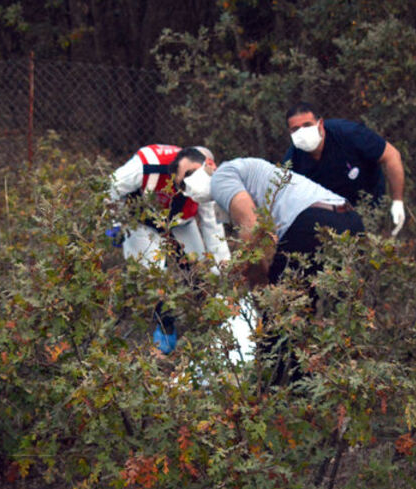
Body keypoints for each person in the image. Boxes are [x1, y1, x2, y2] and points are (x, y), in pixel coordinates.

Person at [170, 155, 364, 384]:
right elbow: (261, 238)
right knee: (307, 308)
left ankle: (273, 387)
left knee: (279, 312)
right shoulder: (241, 172)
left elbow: (252, 230)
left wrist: (255, 284)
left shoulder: (221, 177)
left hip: (311, 222)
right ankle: (318, 380)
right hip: (349, 220)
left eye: (190, 173)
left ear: (209, 163)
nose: (189, 184)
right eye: (182, 185)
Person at [109, 144, 230, 354]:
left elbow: (212, 228)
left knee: (198, 268)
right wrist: (115, 222)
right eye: (186, 178)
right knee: (153, 276)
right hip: (143, 222)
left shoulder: (207, 182)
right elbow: (111, 187)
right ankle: (165, 325)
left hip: (181, 221)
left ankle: (208, 313)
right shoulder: (147, 165)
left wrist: (223, 270)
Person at [283, 102, 407, 236]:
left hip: (369, 205)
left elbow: (391, 155)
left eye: (307, 125)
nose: (302, 132)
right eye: (295, 129)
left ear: (320, 124)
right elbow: (287, 200)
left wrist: (397, 201)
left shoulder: (348, 133)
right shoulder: (292, 161)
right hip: (329, 219)